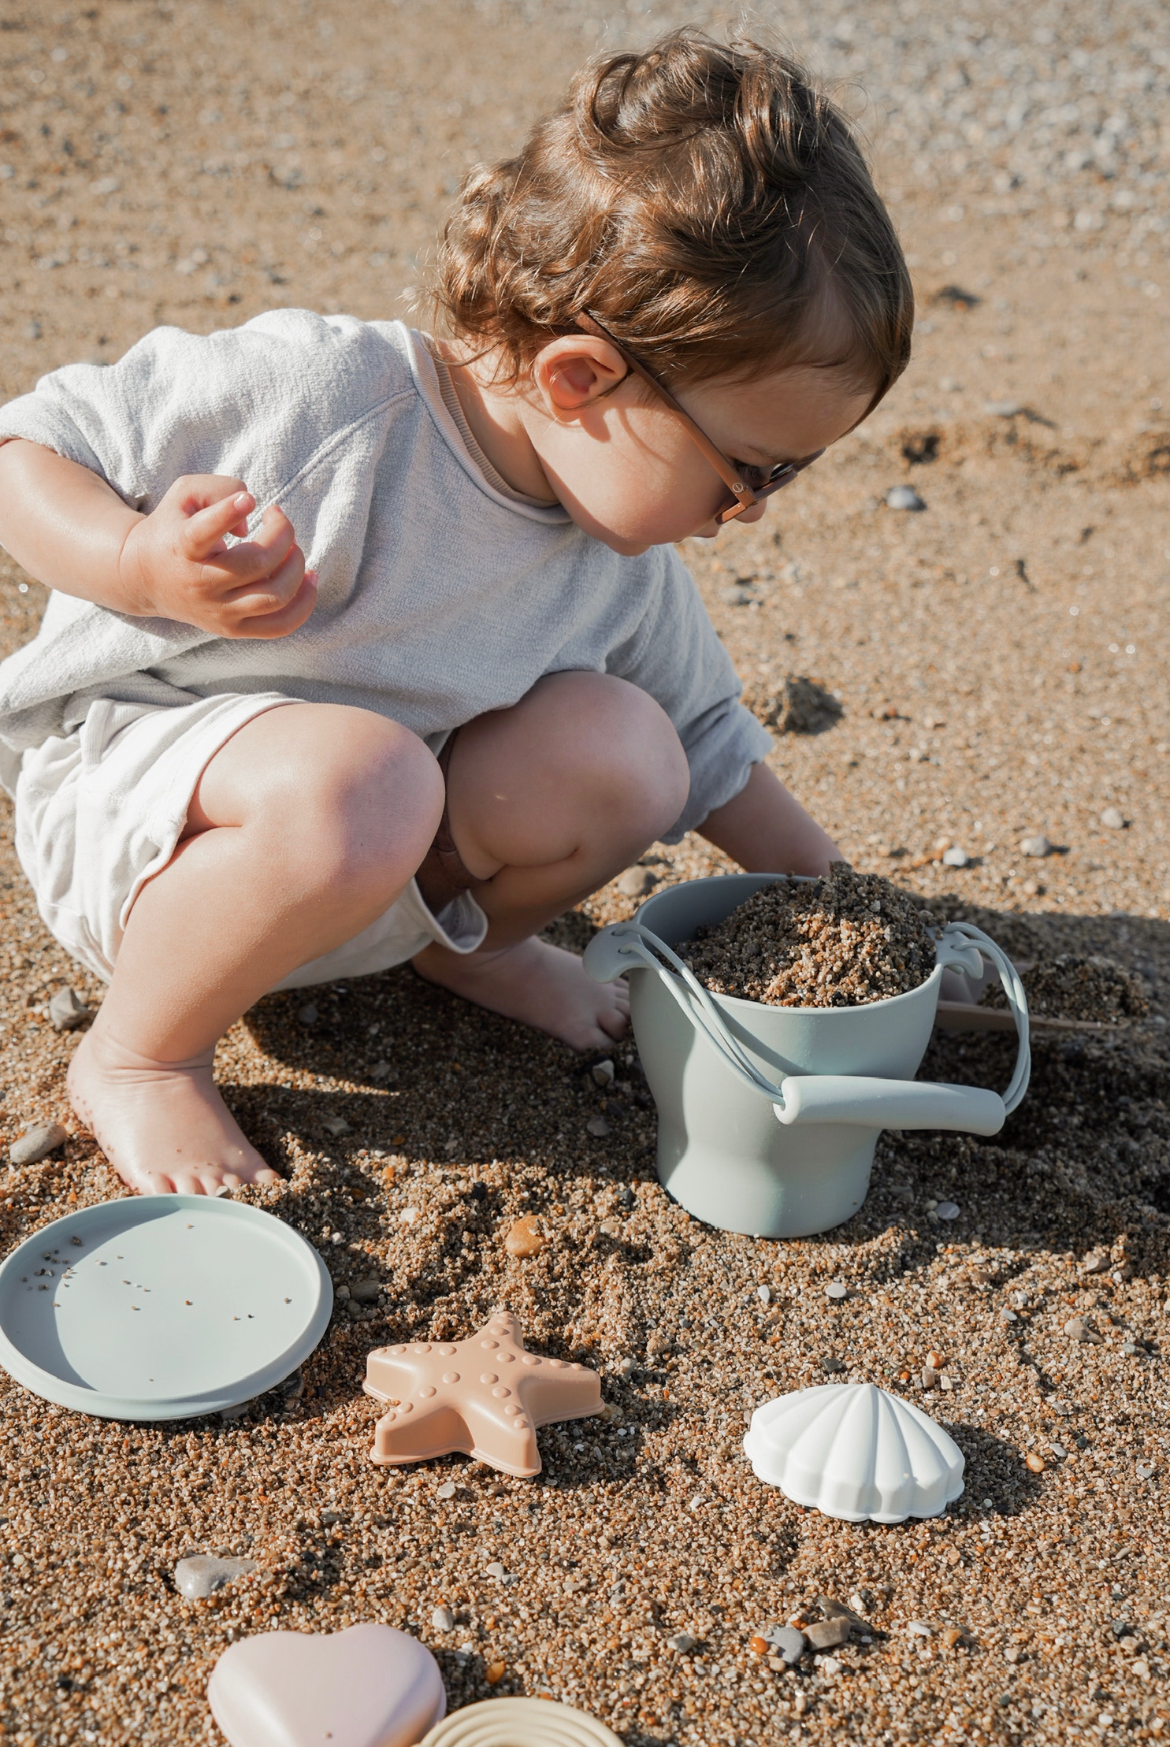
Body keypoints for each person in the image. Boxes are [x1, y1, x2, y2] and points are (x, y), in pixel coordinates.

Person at [0, 31, 912, 1196]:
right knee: (367, 783)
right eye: (753, 469)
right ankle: (139, 1056)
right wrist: (136, 558)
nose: (754, 512)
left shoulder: (614, 553)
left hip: (369, 865)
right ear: (585, 380)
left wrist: (869, 922)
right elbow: (34, 439)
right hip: (144, 841)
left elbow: (713, 757)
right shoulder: (323, 401)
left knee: (635, 757)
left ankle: (465, 954)